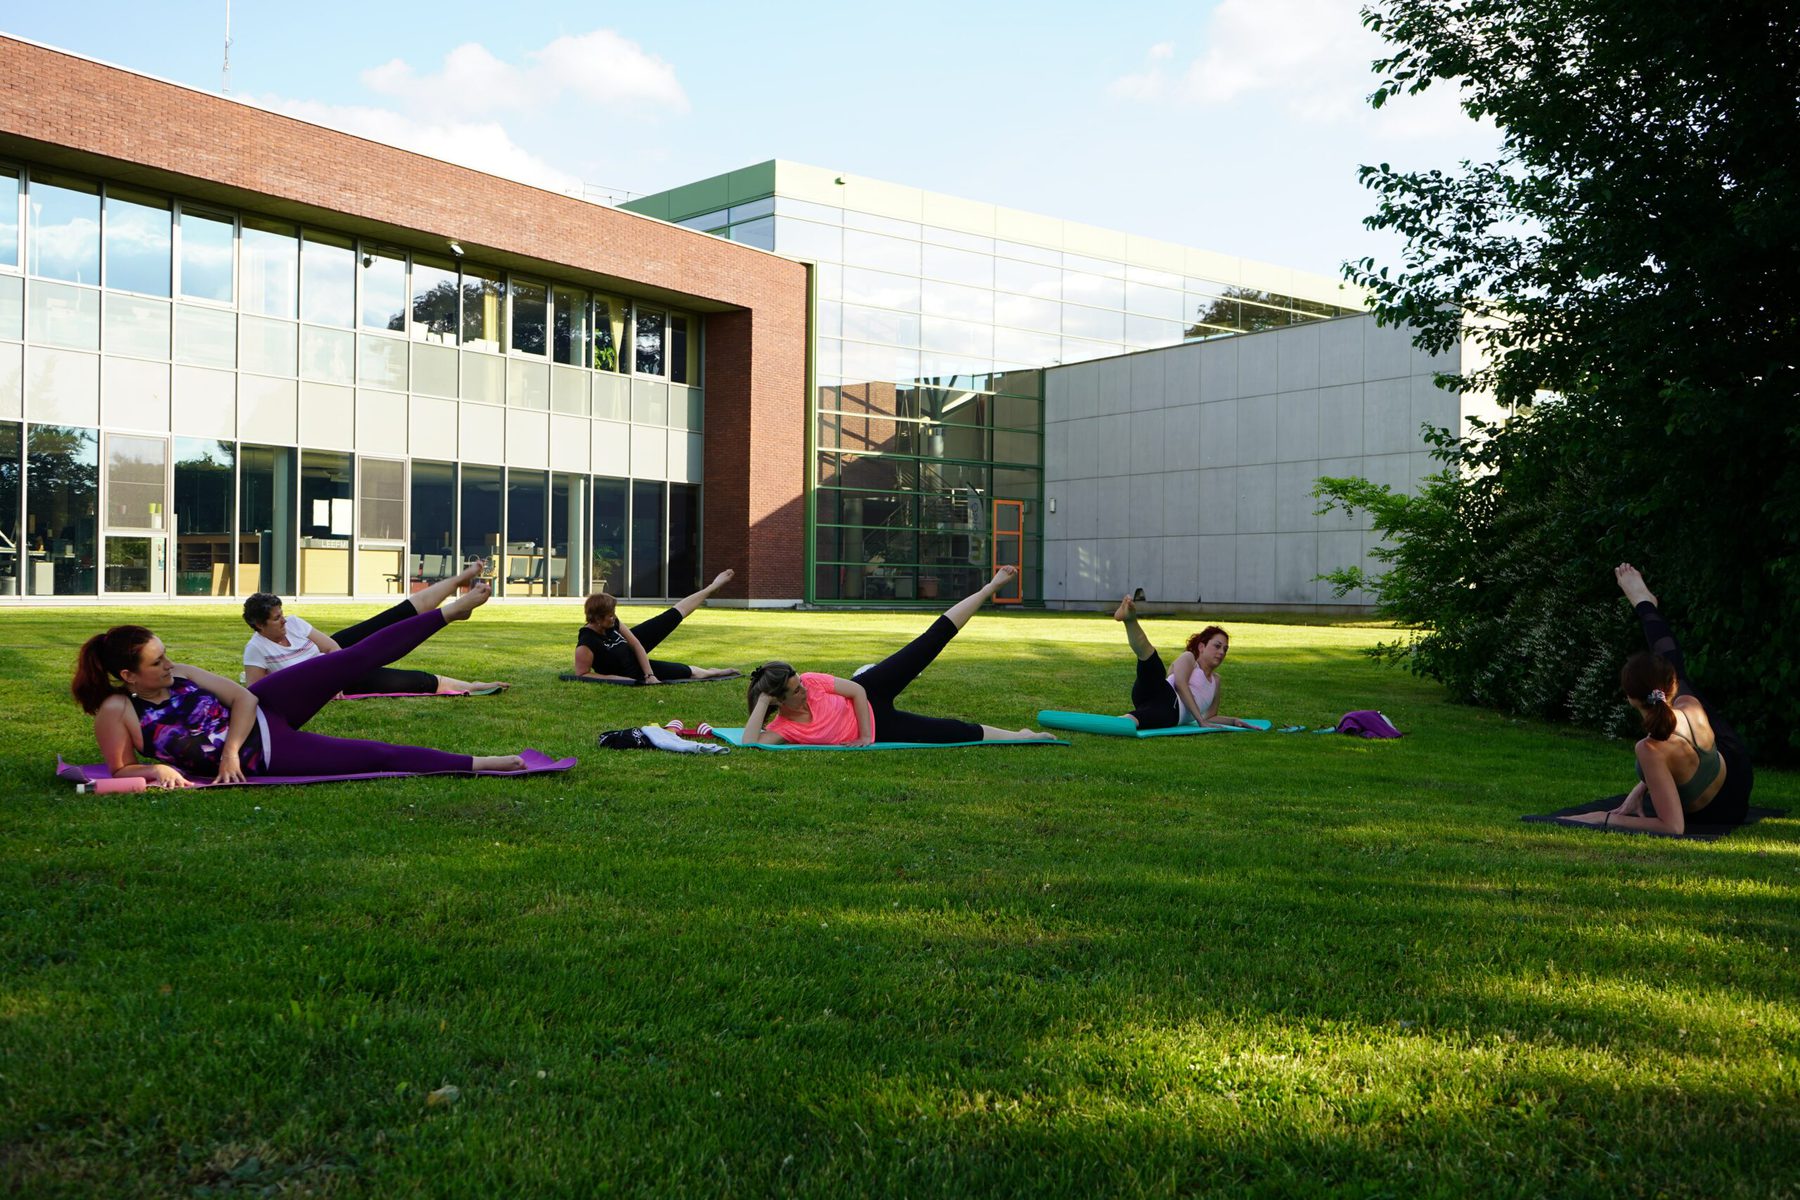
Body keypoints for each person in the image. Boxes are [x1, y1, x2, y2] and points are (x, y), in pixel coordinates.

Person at [72, 583, 524, 788]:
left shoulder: (185, 672)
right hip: (266, 754)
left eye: (165, 653)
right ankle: (480, 762)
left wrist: (227, 752)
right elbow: (118, 771)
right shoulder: (118, 712)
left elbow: (244, 696)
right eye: (157, 662)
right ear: (129, 676)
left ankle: (449, 611)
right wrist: (157, 771)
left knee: (351, 657)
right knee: (374, 756)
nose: (169, 663)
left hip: (264, 709)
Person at [741, 565, 1054, 745]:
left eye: (800, 682)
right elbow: (750, 743)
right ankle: (1021, 736)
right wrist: (764, 701)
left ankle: (989, 588)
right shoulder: (785, 728)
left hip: (870, 691)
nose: (804, 688)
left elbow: (858, 690)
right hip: (885, 727)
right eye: (796, 690)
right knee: (951, 731)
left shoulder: (813, 681)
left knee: (929, 642)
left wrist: (864, 735)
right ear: (779, 700)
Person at [1567, 564, 1753, 833]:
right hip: (1738, 776)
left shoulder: (1649, 749)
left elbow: (1674, 827)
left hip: (1717, 814)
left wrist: (1602, 818)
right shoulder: (1690, 706)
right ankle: (1646, 606)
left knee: (1672, 669)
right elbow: (1672, 750)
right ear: (1669, 688)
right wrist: (1641, 789)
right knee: (1673, 667)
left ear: (1629, 697)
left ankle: (1646, 605)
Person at [241, 559, 505, 695]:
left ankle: (460, 582)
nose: (284, 620)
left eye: (282, 614)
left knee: (394, 617)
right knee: (408, 679)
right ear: (258, 625)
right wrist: (329, 685)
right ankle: (471, 685)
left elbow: (332, 647)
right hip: (326, 678)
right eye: (276, 619)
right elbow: (258, 693)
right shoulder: (256, 650)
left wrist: (336, 668)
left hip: (336, 658)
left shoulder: (295, 624)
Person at [1111, 598, 1256, 731]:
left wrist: (1234, 721)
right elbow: (1180, 685)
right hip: (1165, 697)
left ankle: (1120, 721)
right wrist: (1200, 721)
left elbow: (1210, 717)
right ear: (1201, 647)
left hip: (1165, 711)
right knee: (1151, 663)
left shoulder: (1216, 681)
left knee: (1138, 719)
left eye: (1225, 649)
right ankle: (1130, 620)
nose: (1222, 652)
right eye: (1217, 646)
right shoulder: (1189, 659)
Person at [573, 569, 739, 684]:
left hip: (631, 652)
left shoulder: (612, 621)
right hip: (630, 670)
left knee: (671, 616)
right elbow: (583, 674)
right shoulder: (587, 643)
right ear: (597, 619)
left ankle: (712, 587)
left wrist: (649, 674)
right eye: (610, 615)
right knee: (692, 672)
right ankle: (712, 671)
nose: (614, 617)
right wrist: (622, 679)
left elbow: (637, 644)